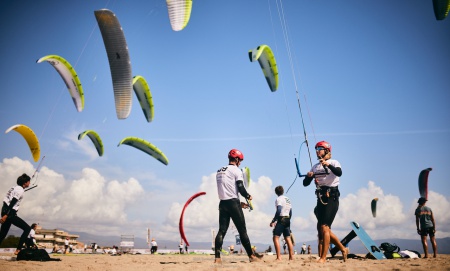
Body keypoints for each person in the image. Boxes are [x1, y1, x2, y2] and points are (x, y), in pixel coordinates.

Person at [214, 149, 263, 263]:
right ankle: (251, 256)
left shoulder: (219, 170)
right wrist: (248, 195)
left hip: (223, 203)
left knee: (221, 231)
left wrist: (240, 203)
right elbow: (240, 188)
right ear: (236, 159)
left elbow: (227, 189)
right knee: (242, 231)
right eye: (240, 160)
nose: (240, 162)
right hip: (233, 203)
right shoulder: (236, 170)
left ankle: (217, 258)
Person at [303, 141, 347, 263]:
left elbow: (339, 173)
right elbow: (305, 184)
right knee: (321, 230)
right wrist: (309, 176)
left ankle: (323, 257)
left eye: (320, 148)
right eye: (316, 149)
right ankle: (343, 249)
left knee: (325, 227)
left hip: (332, 197)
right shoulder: (315, 167)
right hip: (320, 198)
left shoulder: (334, 162)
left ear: (327, 150)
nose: (317, 151)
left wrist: (327, 165)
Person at [0, 173, 32, 255]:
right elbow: (13, 201)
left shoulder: (13, 188)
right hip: (10, 213)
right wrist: (6, 215)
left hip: (4, 210)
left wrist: (4, 213)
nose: (29, 183)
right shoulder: (20, 190)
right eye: (29, 181)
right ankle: (18, 249)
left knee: (3, 233)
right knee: (27, 229)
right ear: (25, 183)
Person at [270, 185, 294, 261]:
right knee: (288, 238)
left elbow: (279, 210)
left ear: (276, 192)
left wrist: (273, 220)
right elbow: (290, 211)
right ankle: (291, 257)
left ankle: (279, 257)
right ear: (283, 191)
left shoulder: (278, 199)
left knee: (275, 237)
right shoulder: (288, 199)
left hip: (282, 218)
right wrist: (288, 219)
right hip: (287, 219)